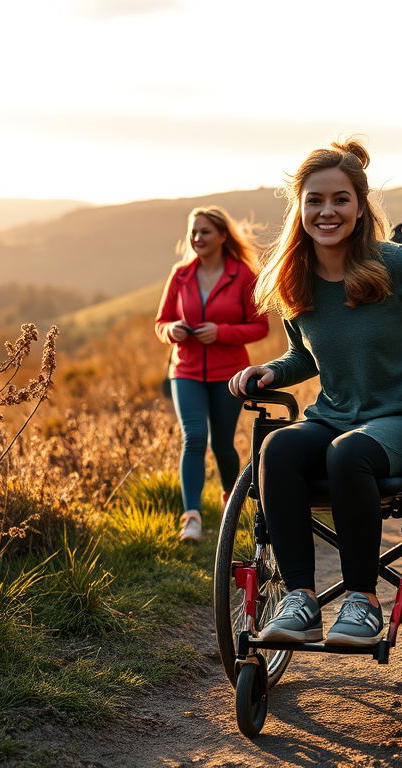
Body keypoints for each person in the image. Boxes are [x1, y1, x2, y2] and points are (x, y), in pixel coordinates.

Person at [228, 139, 402, 647]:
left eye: (340, 199)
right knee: (276, 449)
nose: (327, 211)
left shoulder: (396, 264)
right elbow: (305, 355)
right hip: (335, 414)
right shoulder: (296, 278)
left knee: (348, 454)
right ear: (300, 208)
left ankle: (363, 601)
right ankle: (300, 600)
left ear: (360, 206)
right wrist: (271, 372)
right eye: (315, 200)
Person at [155, 206, 269, 542]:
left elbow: (260, 326)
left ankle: (230, 505)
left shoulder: (243, 275)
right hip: (185, 371)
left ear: (221, 235)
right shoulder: (180, 275)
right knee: (194, 437)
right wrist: (171, 330)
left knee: (222, 444)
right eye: (193, 232)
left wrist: (221, 332)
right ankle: (191, 518)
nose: (197, 238)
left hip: (229, 375)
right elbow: (161, 323)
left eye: (204, 231)